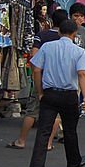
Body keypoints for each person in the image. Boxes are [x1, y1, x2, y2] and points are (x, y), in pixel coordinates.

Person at [28, 19, 85, 167]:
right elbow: (82, 74)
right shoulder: (78, 51)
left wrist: (40, 91)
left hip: (49, 94)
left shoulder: (47, 47)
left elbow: (36, 69)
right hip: (69, 94)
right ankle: (73, 162)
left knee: (43, 131)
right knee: (70, 130)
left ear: (60, 32)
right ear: (74, 34)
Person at [7, 8, 66, 151]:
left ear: (52, 20)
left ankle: (21, 140)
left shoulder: (42, 35)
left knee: (32, 112)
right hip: (59, 82)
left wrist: (36, 77)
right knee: (56, 114)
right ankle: (49, 143)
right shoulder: (66, 40)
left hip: (42, 79)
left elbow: (34, 58)